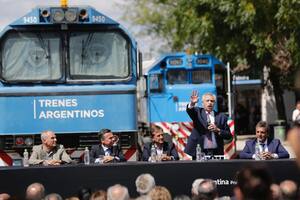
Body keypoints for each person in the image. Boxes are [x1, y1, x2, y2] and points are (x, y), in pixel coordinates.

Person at [185, 91, 232, 158]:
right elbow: (190, 110)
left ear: (214, 103)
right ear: (203, 103)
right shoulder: (198, 112)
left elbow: (228, 135)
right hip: (199, 150)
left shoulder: (221, 117)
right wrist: (192, 103)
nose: (210, 103)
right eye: (207, 101)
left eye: (212, 101)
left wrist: (218, 130)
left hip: (216, 151)